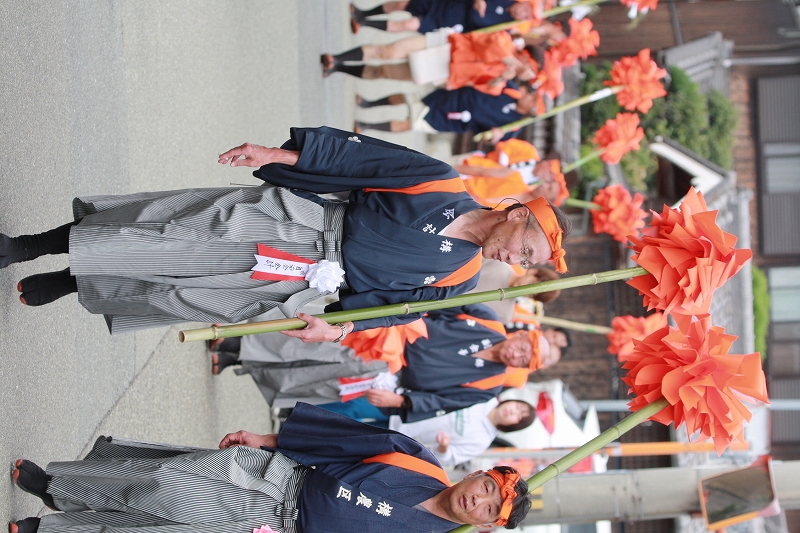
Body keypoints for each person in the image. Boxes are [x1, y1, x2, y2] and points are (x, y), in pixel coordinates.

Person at [0, 126, 570, 338]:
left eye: (527, 263)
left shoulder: (460, 277)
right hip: (296, 222)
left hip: (300, 282)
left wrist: (337, 332)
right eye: (525, 250)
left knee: (178, 293)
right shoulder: (440, 182)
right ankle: (30, 247)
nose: (516, 261)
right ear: (517, 214)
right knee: (166, 228)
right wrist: (274, 154)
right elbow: (361, 160)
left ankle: (74, 281)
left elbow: (391, 314)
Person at [7, 403, 532, 533]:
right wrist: (265, 440)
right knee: (162, 482)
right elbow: (344, 439)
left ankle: (50, 526)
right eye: (487, 487)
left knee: (157, 526)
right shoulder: (420, 463)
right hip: (276, 479)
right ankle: (57, 485)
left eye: (490, 509)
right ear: (476, 474)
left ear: (486, 525)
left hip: (276, 530)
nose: (479, 500)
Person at [211, 303, 561, 422]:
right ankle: (236, 342)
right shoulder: (488, 320)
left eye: (524, 360)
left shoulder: (491, 385)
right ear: (519, 334)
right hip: (386, 336)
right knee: (315, 347)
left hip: (392, 378)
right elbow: (443, 304)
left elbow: (443, 403)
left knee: (313, 380)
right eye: (523, 347)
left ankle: (238, 362)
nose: (517, 355)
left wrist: (400, 402)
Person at [322, 29, 539, 95]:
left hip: (444, 71)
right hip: (445, 46)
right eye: (530, 69)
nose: (526, 75)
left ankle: (338, 68)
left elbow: (488, 86)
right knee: (387, 52)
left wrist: (501, 77)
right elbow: (491, 46)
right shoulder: (505, 41)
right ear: (526, 59)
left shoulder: (506, 76)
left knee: (384, 72)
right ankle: (338, 58)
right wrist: (517, 65)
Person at [354, 83, 538, 143]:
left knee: (412, 123)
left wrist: (495, 136)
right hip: (455, 94)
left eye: (531, 100)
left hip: (456, 118)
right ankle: (370, 103)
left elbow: (487, 139)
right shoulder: (511, 90)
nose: (528, 96)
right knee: (408, 98)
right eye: (531, 95)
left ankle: (367, 126)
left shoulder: (513, 127)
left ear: (531, 110)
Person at [390, 398, 535, 466]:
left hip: (398, 434)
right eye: (517, 406)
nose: (513, 411)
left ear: (514, 426)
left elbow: (447, 458)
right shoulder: (485, 397)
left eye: (518, 416)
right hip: (401, 404)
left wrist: (443, 447)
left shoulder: (482, 442)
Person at [456, 139, 570, 207]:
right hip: (462, 180)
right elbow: (481, 171)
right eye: (549, 170)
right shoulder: (517, 174)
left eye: (549, 188)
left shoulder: (521, 214)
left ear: (547, 201)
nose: (544, 184)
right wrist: (450, 170)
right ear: (546, 162)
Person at [349, 0, 537, 34]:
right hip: (446, 4)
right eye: (525, 10)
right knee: (402, 4)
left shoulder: (505, 27)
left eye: (526, 17)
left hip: (449, 22)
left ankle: (363, 23)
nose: (522, 14)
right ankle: (364, 13)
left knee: (408, 24)